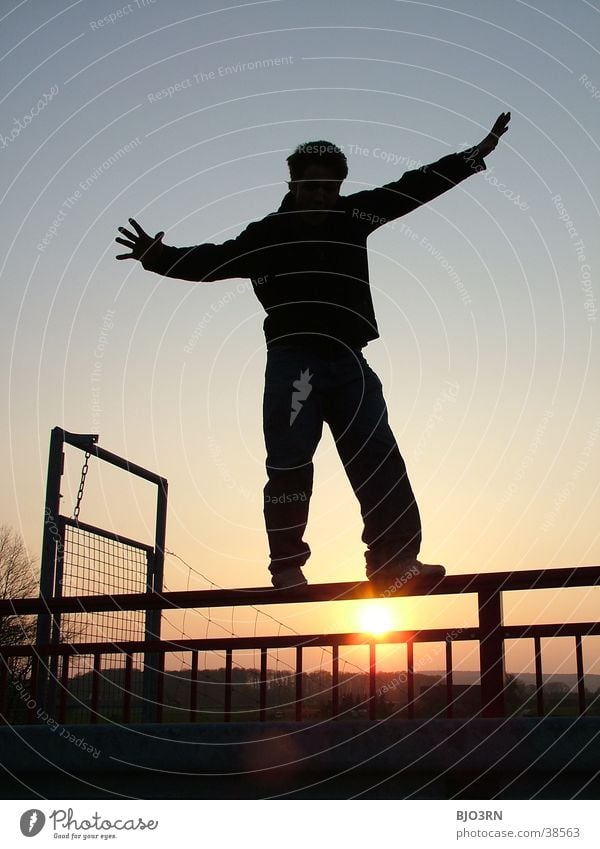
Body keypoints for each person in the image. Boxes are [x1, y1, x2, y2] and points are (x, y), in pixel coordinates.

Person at [115, 112, 510, 590]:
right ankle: (286, 565)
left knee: (378, 455)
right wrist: (158, 257)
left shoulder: (355, 215)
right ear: (293, 184)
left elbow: (413, 188)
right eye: (311, 188)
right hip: (294, 364)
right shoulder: (268, 234)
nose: (321, 197)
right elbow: (213, 260)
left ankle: (393, 562)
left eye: (329, 189)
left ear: (340, 188)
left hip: (349, 360)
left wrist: (472, 157)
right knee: (290, 460)